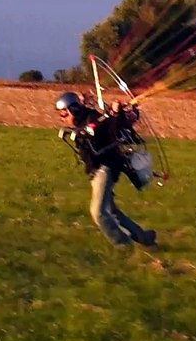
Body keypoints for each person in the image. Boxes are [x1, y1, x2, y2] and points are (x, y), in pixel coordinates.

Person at [55, 91, 157, 248]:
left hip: (105, 168)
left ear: (74, 110)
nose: (62, 117)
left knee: (98, 213)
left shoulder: (93, 119)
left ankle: (124, 246)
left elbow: (108, 127)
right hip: (96, 171)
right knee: (111, 210)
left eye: (64, 113)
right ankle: (144, 237)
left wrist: (115, 113)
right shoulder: (84, 121)